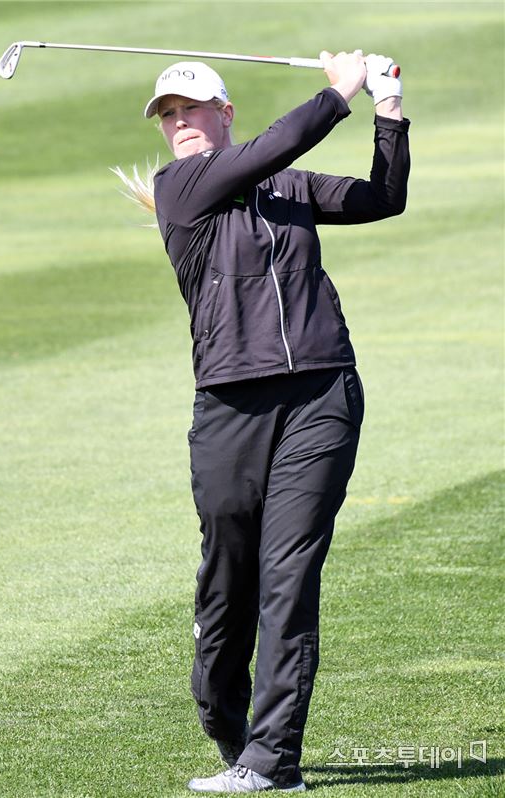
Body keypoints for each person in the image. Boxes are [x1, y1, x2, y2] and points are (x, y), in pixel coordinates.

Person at [127, 50, 410, 793]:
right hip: (230, 408)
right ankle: (225, 716)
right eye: (168, 115)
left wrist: (387, 110)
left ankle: (272, 760)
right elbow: (278, 143)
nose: (180, 123)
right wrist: (339, 90)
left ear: (224, 114)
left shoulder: (287, 186)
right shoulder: (180, 187)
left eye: (191, 109)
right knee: (229, 579)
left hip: (321, 395)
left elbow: (383, 198)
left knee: (289, 576)